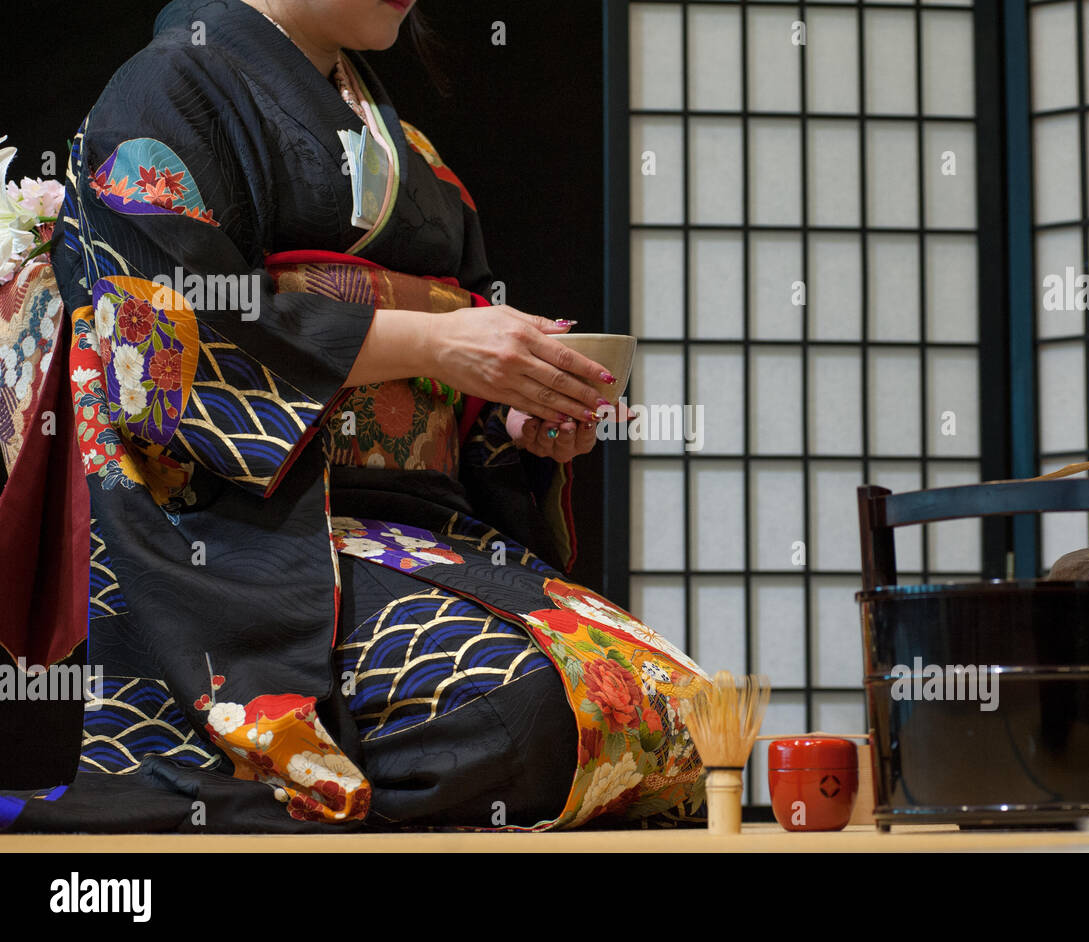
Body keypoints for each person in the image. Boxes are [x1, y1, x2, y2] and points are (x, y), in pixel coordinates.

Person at [0, 0, 706, 832]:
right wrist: (436, 345)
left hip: (419, 530)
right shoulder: (168, 91)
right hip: (248, 540)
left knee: (679, 705)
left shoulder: (414, 156)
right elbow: (161, 329)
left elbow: (453, 379)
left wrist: (511, 423)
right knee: (531, 711)